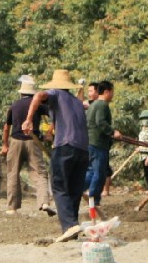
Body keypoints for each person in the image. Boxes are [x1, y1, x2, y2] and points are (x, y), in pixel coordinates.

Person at [24, 69, 89, 239]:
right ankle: (72, 227)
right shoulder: (76, 102)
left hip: (65, 145)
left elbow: (38, 96)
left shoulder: (56, 94)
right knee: (74, 189)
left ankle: (69, 225)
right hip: (83, 149)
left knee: (59, 186)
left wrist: (29, 119)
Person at [1, 76, 54, 215]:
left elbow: (6, 127)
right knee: (40, 173)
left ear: (21, 93)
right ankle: (44, 202)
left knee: (13, 173)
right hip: (33, 141)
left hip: (15, 141)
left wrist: (5, 145)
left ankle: (12, 208)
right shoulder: (39, 105)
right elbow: (55, 116)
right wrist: (49, 132)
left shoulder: (14, 105)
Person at [84, 80, 123, 221]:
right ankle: (93, 200)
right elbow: (101, 122)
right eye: (112, 92)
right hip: (98, 144)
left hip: (90, 142)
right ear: (106, 92)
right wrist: (113, 132)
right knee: (99, 173)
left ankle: (77, 190)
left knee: (90, 172)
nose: (113, 95)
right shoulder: (102, 105)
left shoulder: (93, 105)